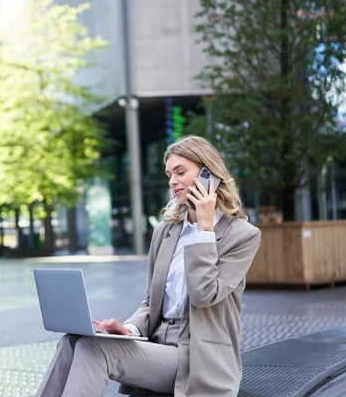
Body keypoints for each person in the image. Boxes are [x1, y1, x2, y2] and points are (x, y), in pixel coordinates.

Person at [35, 135, 262, 397]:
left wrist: (205, 229)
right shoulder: (166, 230)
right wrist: (128, 329)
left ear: (207, 175)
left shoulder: (242, 235)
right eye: (169, 174)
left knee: (95, 350)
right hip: (156, 347)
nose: (172, 181)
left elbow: (204, 294)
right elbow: (151, 301)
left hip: (200, 360)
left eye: (180, 172)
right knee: (72, 342)